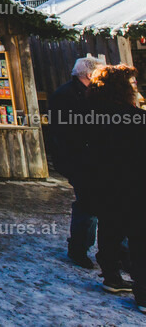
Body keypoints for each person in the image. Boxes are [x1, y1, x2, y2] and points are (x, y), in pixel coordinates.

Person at [85, 64, 146, 305]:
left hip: (104, 186)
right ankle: (143, 296)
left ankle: (111, 277)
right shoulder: (135, 119)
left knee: (110, 230)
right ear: (121, 88)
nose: (135, 88)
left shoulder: (90, 116)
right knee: (140, 240)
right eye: (131, 84)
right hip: (134, 187)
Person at [48, 56, 104, 268]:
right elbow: (66, 134)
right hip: (79, 160)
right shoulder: (66, 96)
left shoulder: (84, 93)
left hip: (89, 159)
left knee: (94, 204)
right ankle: (79, 248)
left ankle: (109, 251)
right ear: (90, 74)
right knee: (87, 205)